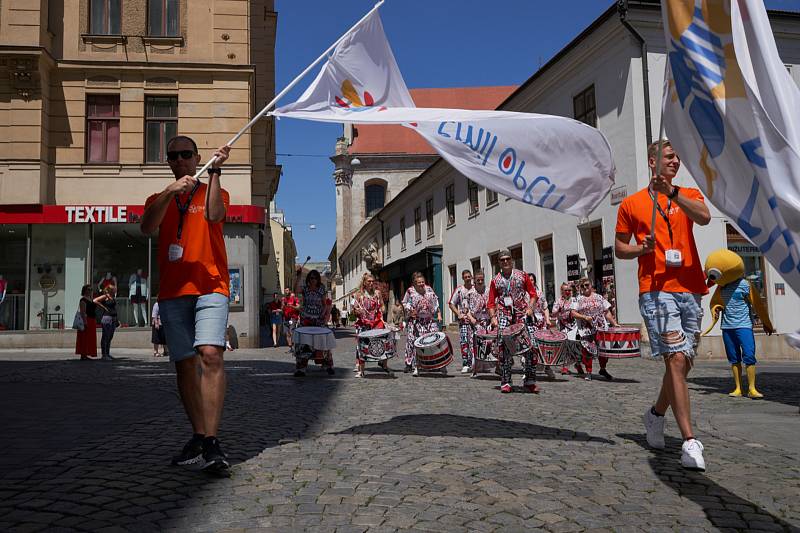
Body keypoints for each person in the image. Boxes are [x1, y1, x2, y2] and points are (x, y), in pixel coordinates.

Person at [615, 139, 711, 471]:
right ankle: (689, 440)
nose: (676, 161)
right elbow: (619, 249)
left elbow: (705, 218)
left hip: (691, 288)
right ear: (653, 160)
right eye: (669, 157)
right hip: (656, 290)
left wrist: (671, 194)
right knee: (676, 358)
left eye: (677, 157)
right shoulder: (631, 204)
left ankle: (656, 415)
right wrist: (641, 250)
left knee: (683, 366)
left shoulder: (687, 195)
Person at [141, 135, 232, 474]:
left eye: (186, 155)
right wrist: (168, 192)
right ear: (169, 162)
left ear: (196, 158)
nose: (180, 160)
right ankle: (199, 436)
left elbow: (214, 216)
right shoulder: (158, 198)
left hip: (211, 286)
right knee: (183, 365)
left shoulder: (214, 189)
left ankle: (211, 440)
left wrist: (216, 173)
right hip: (173, 292)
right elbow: (147, 226)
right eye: (173, 156)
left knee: (210, 353)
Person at [487, 248, 539, 394]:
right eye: (502, 260)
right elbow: (491, 302)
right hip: (504, 315)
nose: (505, 262)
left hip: (522, 314)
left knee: (531, 347)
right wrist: (493, 318)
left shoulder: (522, 275)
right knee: (503, 350)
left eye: (507, 259)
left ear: (512, 260)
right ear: (498, 262)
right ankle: (506, 381)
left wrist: (530, 308)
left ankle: (530, 380)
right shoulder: (495, 280)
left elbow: (533, 294)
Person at [571, 278, 620, 381]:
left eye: (587, 285)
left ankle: (603, 369)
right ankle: (588, 372)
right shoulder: (578, 299)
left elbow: (606, 311)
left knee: (603, 350)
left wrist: (614, 323)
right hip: (586, 329)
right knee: (587, 350)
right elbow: (573, 313)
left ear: (591, 285)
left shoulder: (599, 297)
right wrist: (584, 317)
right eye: (582, 286)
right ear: (580, 287)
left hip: (600, 327)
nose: (585, 287)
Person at [293, 268, 334, 377]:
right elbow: (296, 290)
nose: (313, 280)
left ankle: (328, 364)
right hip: (306, 318)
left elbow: (325, 304)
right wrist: (298, 276)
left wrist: (324, 314)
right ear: (308, 279)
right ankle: (301, 368)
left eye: (315, 278)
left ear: (318, 279)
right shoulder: (305, 289)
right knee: (304, 342)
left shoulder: (321, 289)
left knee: (323, 341)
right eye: (311, 278)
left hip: (318, 319)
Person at [402, 271, 443, 376]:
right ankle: (409, 363)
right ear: (414, 283)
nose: (421, 284)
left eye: (422, 282)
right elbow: (404, 302)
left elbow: (435, 301)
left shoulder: (429, 289)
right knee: (412, 341)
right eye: (419, 282)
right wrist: (410, 310)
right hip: (415, 320)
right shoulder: (410, 291)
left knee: (432, 339)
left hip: (428, 319)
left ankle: (432, 362)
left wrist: (438, 314)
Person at [353, 273, 389, 377]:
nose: (371, 283)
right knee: (362, 346)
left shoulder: (377, 293)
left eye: (373, 281)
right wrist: (357, 311)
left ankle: (384, 364)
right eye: (369, 281)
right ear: (364, 282)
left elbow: (382, 305)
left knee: (382, 342)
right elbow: (354, 310)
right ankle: (361, 370)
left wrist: (382, 310)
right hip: (363, 323)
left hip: (376, 322)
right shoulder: (359, 294)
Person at [448, 269, 477, 374]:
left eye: (469, 276)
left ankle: (475, 362)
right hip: (464, 320)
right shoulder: (459, 290)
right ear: (463, 278)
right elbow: (451, 303)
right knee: (464, 341)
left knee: (475, 341)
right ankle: (466, 363)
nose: (468, 279)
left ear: (472, 277)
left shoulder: (475, 288)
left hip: (475, 320)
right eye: (465, 277)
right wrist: (458, 314)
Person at [527, 272, 554, 380]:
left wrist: (547, 319)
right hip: (529, 322)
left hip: (540, 322)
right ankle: (528, 370)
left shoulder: (539, 293)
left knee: (544, 346)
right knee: (531, 347)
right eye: (528, 280)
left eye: (532, 280)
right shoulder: (523, 294)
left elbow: (545, 307)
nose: (530, 282)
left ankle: (547, 367)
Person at [551, 282, 580, 375]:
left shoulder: (574, 300)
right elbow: (553, 314)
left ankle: (577, 363)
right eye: (565, 290)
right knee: (565, 346)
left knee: (575, 346)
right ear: (562, 291)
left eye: (569, 290)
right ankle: (565, 366)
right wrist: (559, 309)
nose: (567, 292)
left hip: (574, 325)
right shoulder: (558, 301)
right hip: (563, 326)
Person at [466, 269, 492, 375]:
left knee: (487, 344)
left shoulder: (489, 291)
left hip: (486, 321)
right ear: (474, 280)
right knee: (474, 344)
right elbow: (465, 309)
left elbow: (493, 305)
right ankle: (475, 366)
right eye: (478, 280)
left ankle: (485, 365)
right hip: (474, 321)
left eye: (482, 279)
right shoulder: (470, 293)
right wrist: (471, 319)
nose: (480, 282)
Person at [75, 284, 101, 360]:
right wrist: (85, 322)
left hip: (92, 320)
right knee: (84, 338)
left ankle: (86, 354)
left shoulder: (91, 299)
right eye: (88, 289)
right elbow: (83, 312)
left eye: (91, 290)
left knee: (90, 338)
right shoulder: (83, 300)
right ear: (84, 290)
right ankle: (83, 355)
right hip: (87, 320)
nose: (90, 291)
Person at [95, 285, 118, 361]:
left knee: (110, 337)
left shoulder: (113, 297)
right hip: (107, 318)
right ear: (110, 290)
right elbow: (95, 300)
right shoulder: (105, 296)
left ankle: (107, 354)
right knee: (105, 336)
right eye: (113, 289)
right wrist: (103, 307)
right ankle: (104, 355)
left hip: (113, 318)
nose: (115, 290)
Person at [281, 287, 300, 352]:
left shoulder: (294, 298)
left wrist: (291, 306)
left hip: (293, 317)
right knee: (287, 333)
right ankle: (291, 347)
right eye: (285, 290)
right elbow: (282, 309)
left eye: (287, 290)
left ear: (290, 291)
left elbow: (298, 307)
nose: (286, 291)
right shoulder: (284, 299)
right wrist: (283, 305)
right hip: (286, 317)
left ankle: (294, 347)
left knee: (292, 332)